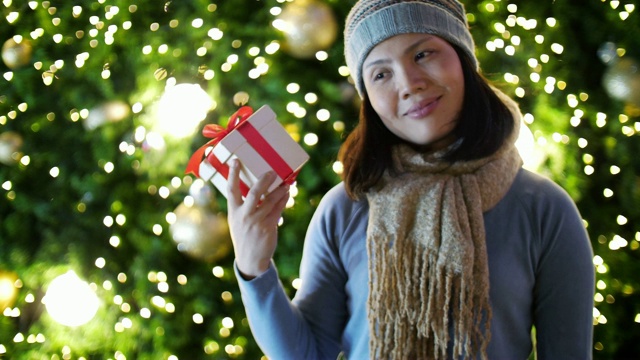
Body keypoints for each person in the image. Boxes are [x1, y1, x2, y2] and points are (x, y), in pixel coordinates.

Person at [226, 0, 595, 358]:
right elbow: (306, 354)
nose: (409, 83)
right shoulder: (344, 209)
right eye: (381, 74)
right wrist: (253, 267)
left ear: (463, 59)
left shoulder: (543, 207)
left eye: (423, 55)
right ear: (368, 97)